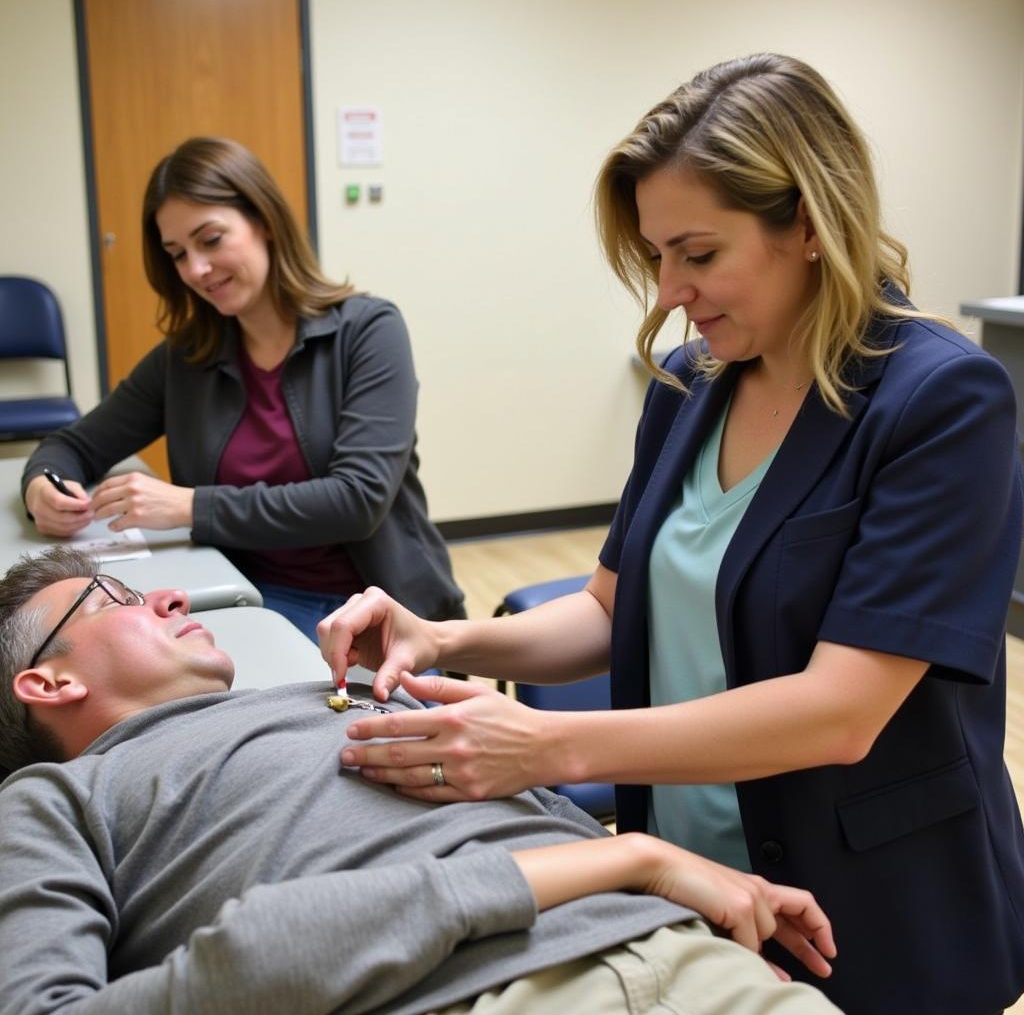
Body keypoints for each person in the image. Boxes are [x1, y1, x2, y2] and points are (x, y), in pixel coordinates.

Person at [315, 54, 1024, 1014]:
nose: (667, 291)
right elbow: (612, 610)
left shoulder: (941, 403)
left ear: (809, 224)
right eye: (656, 257)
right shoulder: (693, 387)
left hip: (876, 899)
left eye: (698, 254)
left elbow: (842, 712)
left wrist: (552, 748)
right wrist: (448, 638)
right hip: (698, 875)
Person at [0, 546, 840, 1015]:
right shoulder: (58, 801)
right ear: (47, 683)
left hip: (678, 954)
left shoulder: (350, 692)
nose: (171, 598)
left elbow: (539, 820)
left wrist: (660, 903)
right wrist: (632, 862)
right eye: (116, 597)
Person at [20, 136, 464, 641]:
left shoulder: (368, 330)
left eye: (210, 241)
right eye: (177, 254)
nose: (195, 270)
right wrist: (43, 486)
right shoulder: (186, 358)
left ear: (266, 222)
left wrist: (190, 507)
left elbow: (357, 500)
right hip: (237, 593)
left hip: (374, 612)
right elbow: (72, 445)